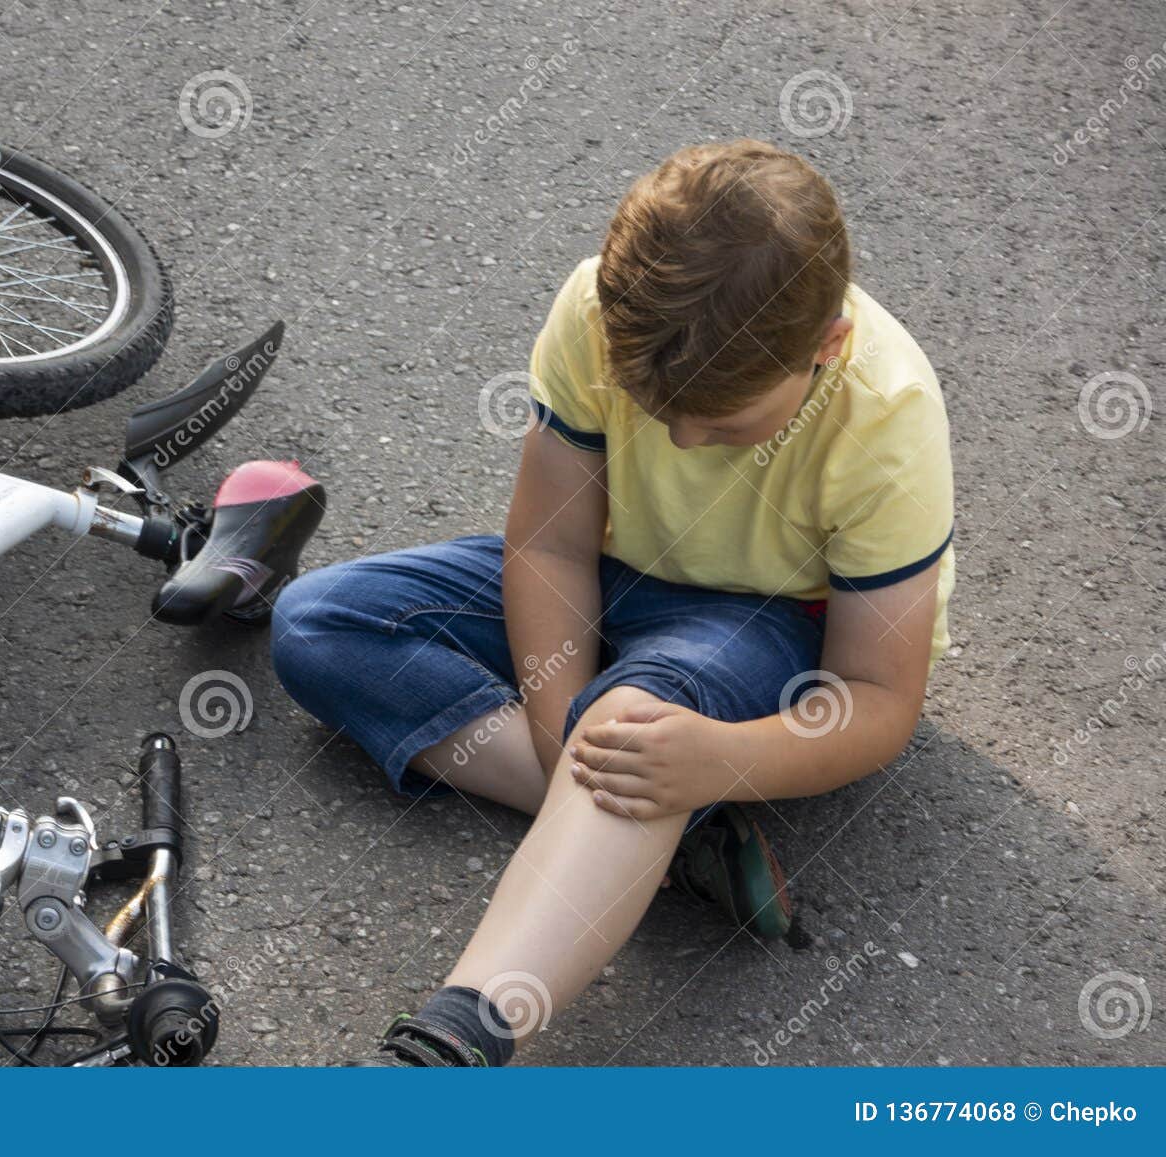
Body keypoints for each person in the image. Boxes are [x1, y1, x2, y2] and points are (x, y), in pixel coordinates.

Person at [270, 139, 954, 1066]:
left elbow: (879, 699)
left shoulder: (887, 413)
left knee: (631, 718)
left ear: (828, 346)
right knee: (319, 621)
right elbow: (551, 544)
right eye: (654, 404)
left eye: (725, 424)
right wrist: (565, 734)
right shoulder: (598, 309)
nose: (679, 436)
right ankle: (650, 830)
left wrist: (723, 754)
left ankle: (455, 1038)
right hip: (615, 573)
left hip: (772, 616)